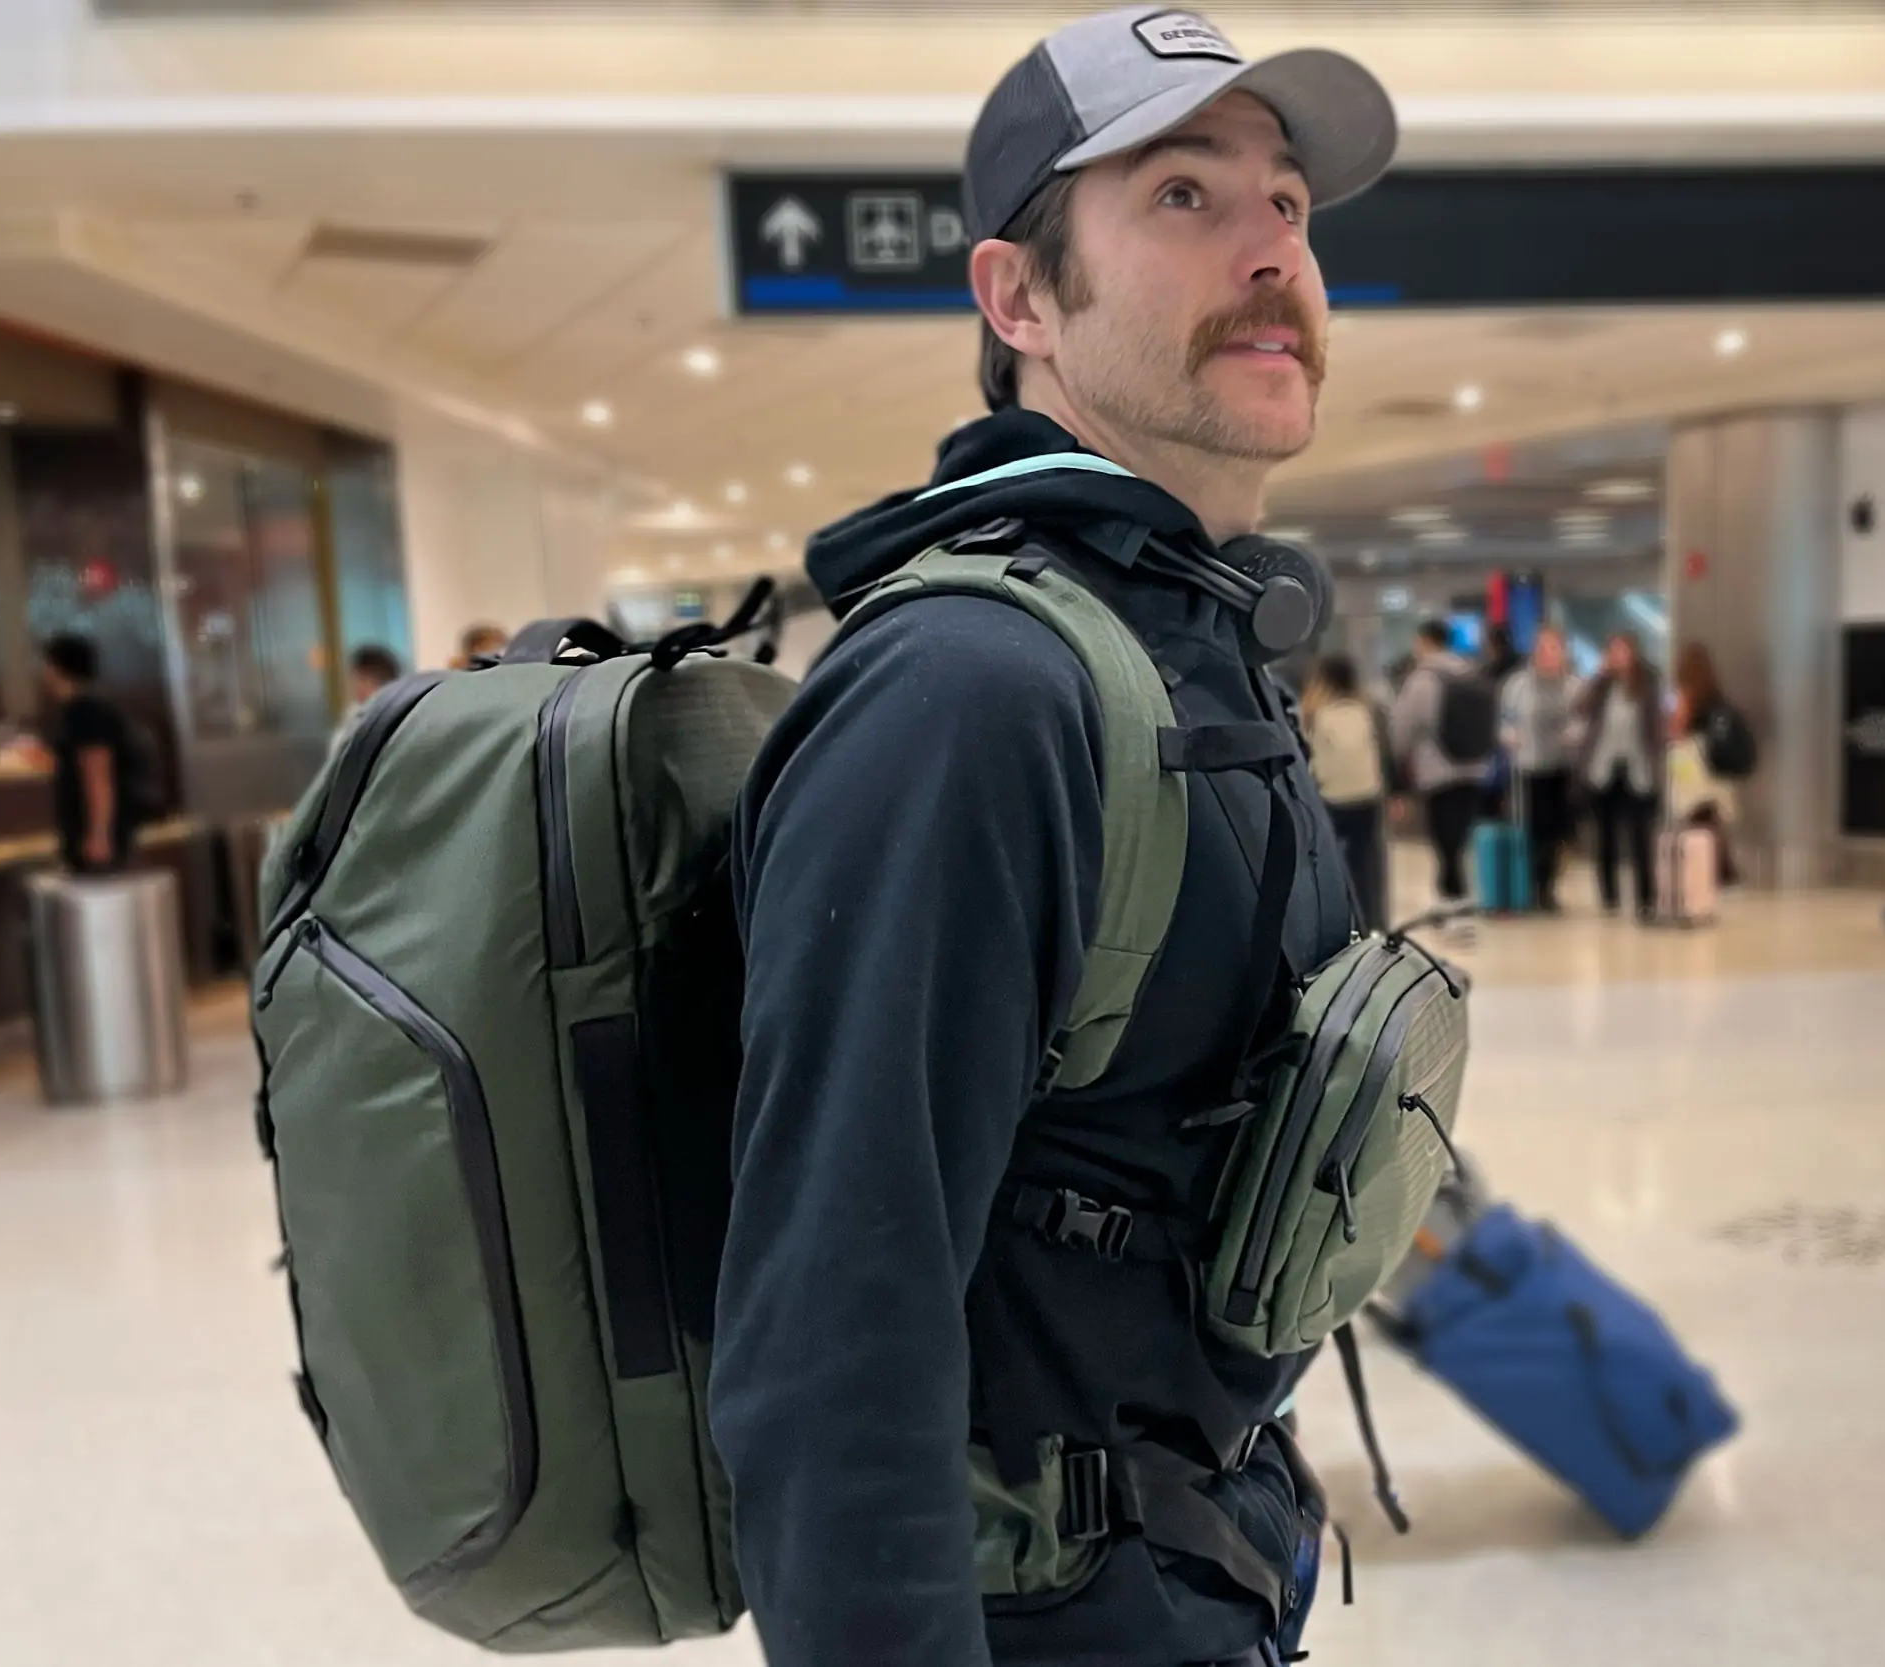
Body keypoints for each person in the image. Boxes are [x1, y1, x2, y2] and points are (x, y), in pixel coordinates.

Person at [710, 12, 1397, 1667]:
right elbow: (830, 1345)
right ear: (1019, 298)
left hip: (1196, 1573)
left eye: (1288, 203)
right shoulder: (971, 692)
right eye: (1183, 195)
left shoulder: (1187, 643)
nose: (1271, 249)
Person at [1389, 617, 1497, 915]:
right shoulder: (1471, 672)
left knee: (1444, 837)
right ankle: (1460, 894)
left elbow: (1403, 727)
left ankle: (1453, 897)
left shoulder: (1423, 679)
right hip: (1475, 767)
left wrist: (1395, 764)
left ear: (1426, 641)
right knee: (1461, 835)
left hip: (1437, 769)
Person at [1573, 632, 1666, 919]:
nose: (1618, 657)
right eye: (1613, 651)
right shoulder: (1602, 686)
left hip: (1639, 770)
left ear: (1633, 654)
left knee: (1640, 836)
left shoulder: (1648, 684)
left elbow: (1656, 725)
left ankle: (1646, 898)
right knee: (1606, 836)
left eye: (1623, 651)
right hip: (1604, 770)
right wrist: (1599, 676)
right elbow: (1579, 708)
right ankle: (1610, 896)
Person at [38, 633, 144, 875]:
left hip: (94, 835)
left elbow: (98, 775)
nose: (43, 674)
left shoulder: (85, 712)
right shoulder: (87, 709)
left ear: (57, 668)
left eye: (46, 665)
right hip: (96, 831)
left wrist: (99, 835)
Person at [1303, 653, 1389, 930]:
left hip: (1332, 800)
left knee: (1333, 867)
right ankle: (1373, 923)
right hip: (1368, 797)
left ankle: (1342, 923)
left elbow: (1313, 762)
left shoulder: (1318, 714)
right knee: (1368, 867)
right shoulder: (1367, 711)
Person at [1499, 625, 1578, 911]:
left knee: (1556, 831)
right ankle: (1530, 885)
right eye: (1542, 647)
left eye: (1553, 648)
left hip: (1562, 767)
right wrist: (1508, 735)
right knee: (1531, 829)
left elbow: (1585, 721)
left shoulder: (1574, 687)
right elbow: (1505, 719)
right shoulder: (1517, 685)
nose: (1547, 654)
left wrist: (1575, 735)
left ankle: (1548, 885)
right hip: (1529, 767)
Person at [1669, 640, 1745, 886]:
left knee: (1698, 819)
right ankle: (1723, 869)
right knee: (1711, 819)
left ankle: (1719, 870)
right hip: (1714, 765)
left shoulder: (1686, 696)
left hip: (1692, 765)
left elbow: (1677, 729)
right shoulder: (1715, 695)